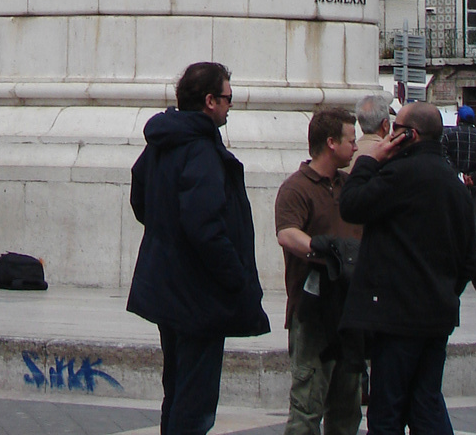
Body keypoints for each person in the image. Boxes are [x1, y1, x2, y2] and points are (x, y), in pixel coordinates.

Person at [128, 62, 270, 435]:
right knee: (195, 400)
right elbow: (205, 227)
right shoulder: (201, 150)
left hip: (168, 286)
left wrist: (166, 234)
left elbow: (140, 195)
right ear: (209, 101)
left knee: (176, 387)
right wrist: (236, 277)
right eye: (227, 98)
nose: (230, 106)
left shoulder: (162, 144)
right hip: (199, 294)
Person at [339, 101, 476, 435]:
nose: (389, 133)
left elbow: (352, 205)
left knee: (387, 407)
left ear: (409, 136)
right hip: (438, 312)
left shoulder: (399, 174)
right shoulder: (454, 183)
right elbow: (467, 255)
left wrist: (369, 161)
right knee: (425, 403)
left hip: (398, 316)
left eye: (395, 128)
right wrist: (446, 290)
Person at [275, 106, 362, 435]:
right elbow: (286, 233)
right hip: (313, 310)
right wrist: (323, 250)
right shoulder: (297, 188)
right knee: (307, 406)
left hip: (350, 310)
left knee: (347, 406)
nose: (355, 148)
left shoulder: (350, 186)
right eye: (350, 141)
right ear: (330, 143)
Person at [441, 105, 476, 235]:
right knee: (474, 224)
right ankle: (474, 252)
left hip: (451, 186)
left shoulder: (447, 135)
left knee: (451, 222)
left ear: (458, 118)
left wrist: (457, 173)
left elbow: (441, 154)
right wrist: (474, 176)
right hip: (474, 187)